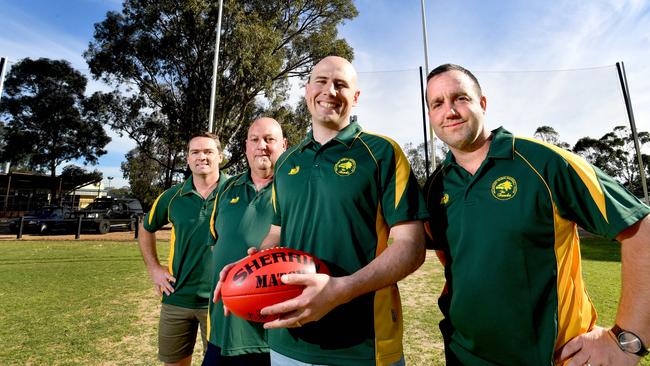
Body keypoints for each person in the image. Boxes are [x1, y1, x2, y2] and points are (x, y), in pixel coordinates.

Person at [423, 63, 650, 365]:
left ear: (482, 103)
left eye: (460, 98)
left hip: (552, 357)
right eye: (437, 103)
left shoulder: (544, 162)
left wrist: (627, 340)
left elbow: (642, 229)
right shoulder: (436, 185)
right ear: (430, 115)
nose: (449, 111)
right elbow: (449, 256)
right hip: (463, 355)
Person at [227, 55, 430, 366]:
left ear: (356, 96)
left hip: (363, 345)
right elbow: (278, 232)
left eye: (341, 84)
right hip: (287, 340)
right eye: (320, 82)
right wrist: (251, 264)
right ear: (307, 90)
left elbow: (411, 247)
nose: (329, 91)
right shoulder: (287, 161)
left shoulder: (383, 153)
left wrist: (343, 289)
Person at [202, 117, 287, 366]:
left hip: (276, 335)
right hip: (224, 330)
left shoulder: (297, 189)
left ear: (284, 144)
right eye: (255, 139)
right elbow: (215, 245)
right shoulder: (226, 190)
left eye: (269, 139)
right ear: (246, 146)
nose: (262, 145)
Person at [139, 132, 228, 366]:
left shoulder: (237, 190)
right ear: (187, 159)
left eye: (208, 151)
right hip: (177, 298)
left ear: (220, 156)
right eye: (195, 152)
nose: (202, 157)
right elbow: (146, 227)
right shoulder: (172, 196)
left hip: (222, 301)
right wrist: (154, 268)